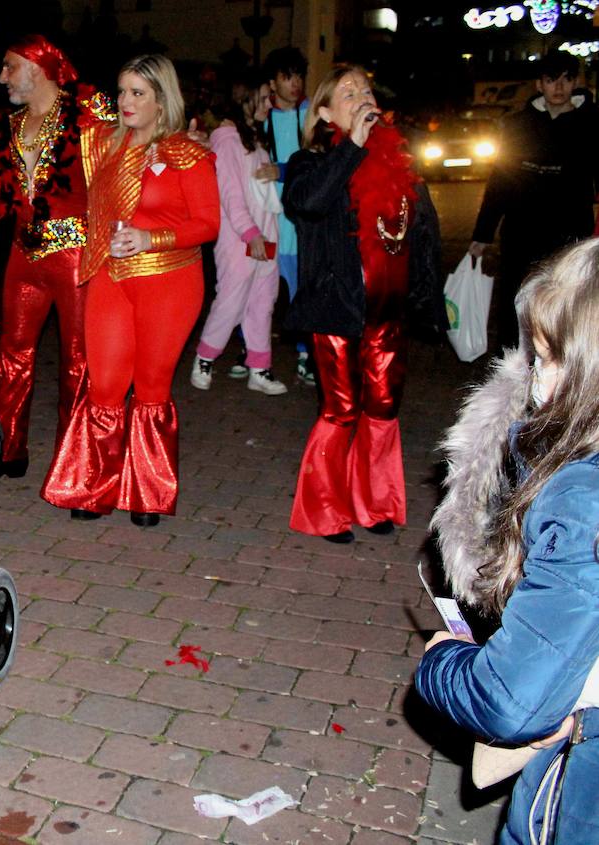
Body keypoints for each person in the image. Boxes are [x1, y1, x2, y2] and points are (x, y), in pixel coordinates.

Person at [417, 239, 599, 845]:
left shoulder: (582, 497)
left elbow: (510, 700)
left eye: (545, 361)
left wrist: (443, 660)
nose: (534, 381)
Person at [41, 55, 219, 526]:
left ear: (163, 100)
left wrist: (150, 238)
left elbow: (208, 224)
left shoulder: (188, 154)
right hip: (110, 275)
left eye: (138, 93)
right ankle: (93, 486)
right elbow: (59, 111)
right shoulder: (101, 144)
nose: (125, 102)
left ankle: (147, 492)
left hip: (170, 281)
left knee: (152, 388)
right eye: (121, 91)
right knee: (104, 384)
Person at [283, 65, 444, 543]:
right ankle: (325, 510)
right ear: (326, 111)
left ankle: (375, 503)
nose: (360, 97)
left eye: (365, 90)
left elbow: (424, 234)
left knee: (384, 406)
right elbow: (309, 202)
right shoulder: (309, 161)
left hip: (388, 312)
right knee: (342, 408)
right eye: (346, 93)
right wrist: (351, 146)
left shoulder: (401, 163)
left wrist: (428, 298)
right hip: (336, 308)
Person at [0, 35, 112, 482]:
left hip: (76, 255)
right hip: (23, 256)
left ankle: (78, 461)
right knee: (12, 354)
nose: (1, 77)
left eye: (8, 67)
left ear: (37, 69)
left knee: (80, 361)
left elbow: (127, 159)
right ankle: (6, 447)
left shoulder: (90, 114)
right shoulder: (13, 126)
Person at [469, 50, 599, 353]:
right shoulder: (518, 124)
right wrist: (482, 234)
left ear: (576, 82)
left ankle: (563, 371)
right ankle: (513, 370)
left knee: (565, 302)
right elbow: (499, 181)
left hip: (569, 230)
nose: (559, 87)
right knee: (517, 301)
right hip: (522, 231)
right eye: (551, 79)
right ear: (539, 84)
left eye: (566, 79)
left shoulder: (591, 123)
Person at [191, 74, 286, 396]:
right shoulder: (227, 137)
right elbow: (230, 193)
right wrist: (250, 233)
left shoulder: (254, 137)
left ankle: (260, 368)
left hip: (266, 232)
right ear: (242, 99)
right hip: (239, 237)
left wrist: (265, 233)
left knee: (263, 299)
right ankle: (205, 357)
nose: (267, 104)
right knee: (231, 299)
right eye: (261, 98)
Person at [261, 46, 315, 386]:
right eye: (286, 76)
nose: (294, 83)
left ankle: (305, 352)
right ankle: (254, 350)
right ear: (273, 82)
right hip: (270, 217)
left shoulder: (310, 114)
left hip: (302, 217)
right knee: (265, 287)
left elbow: (315, 161)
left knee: (302, 286)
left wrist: (280, 170)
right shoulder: (261, 119)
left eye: (298, 76)